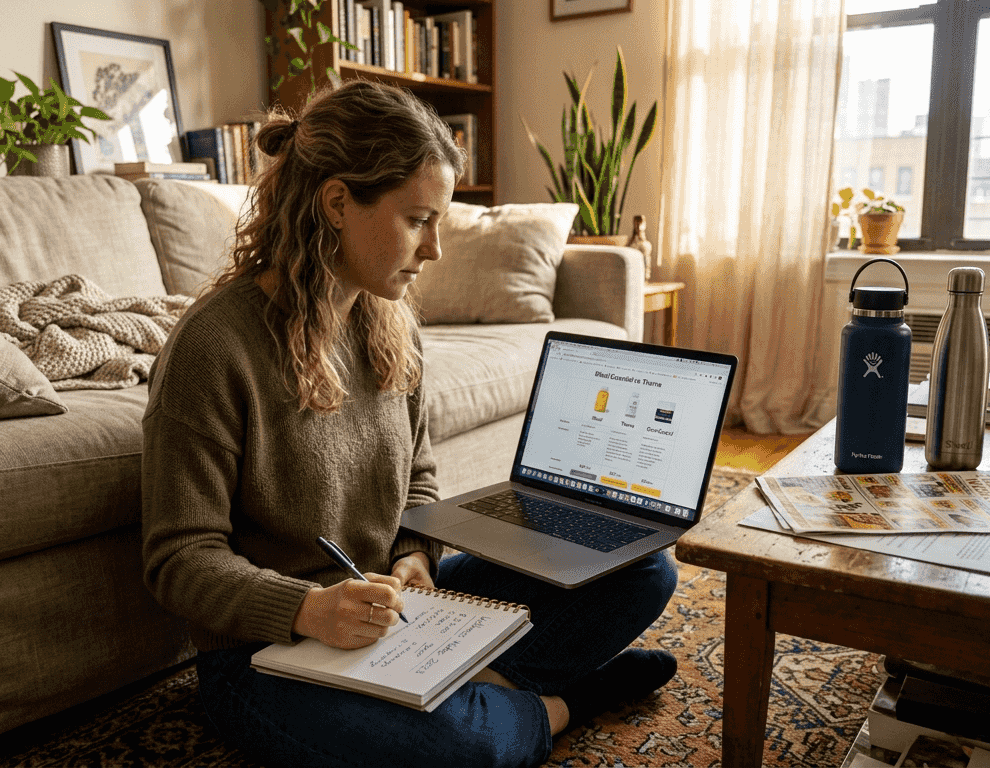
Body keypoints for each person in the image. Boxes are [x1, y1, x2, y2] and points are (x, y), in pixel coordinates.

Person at [140, 80, 678, 768]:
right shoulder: (214, 347)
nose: (434, 252)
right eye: (419, 220)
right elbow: (178, 560)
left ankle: (469, 684)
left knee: (640, 567)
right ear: (338, 203)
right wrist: (311, 609)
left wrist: (413, 556)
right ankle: (556, 703)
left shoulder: (388, 320)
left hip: (397, 614)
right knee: (458, 750)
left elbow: (418, 479)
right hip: (265, 654)